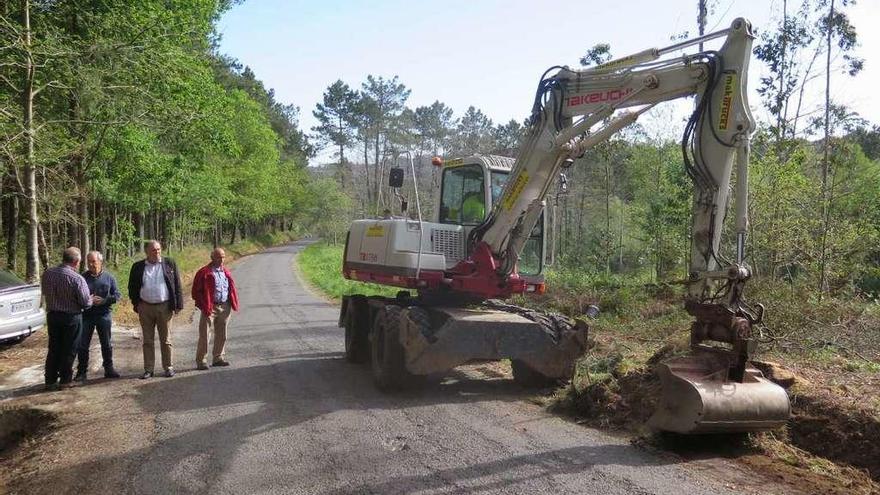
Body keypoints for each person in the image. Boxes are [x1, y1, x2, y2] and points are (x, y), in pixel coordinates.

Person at [128, 240, 183, 379]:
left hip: (164, 307)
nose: (157, 252)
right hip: (145, 307)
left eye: (158, 249)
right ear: (147, 252)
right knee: (147, 340)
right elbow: (132, 287)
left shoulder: (169, 263)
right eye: (153, 250)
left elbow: (177, 284)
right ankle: (148, 369)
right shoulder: (138, 267)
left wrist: (178, 305)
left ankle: (168, 367)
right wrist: (137, 304)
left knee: (166, 340)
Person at [41, 247, 93, 391]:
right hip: (71, 317)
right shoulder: (77, 278)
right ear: (76, 262)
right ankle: (65, 380)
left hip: (52, 316)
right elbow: (85, 302)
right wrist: (91, 300)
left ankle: (50, 380)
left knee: (54, 348)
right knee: (69, 349)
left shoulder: (47, 274)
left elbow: (45, 292)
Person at [74, 251, 122, 382]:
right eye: (89, 261)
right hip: (86, 316)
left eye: (93, 261)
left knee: (106, 343)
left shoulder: (109, 277)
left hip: (104, 315)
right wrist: (86, 300)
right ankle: (81, 372)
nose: (91, 264)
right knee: (83, 345)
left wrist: (104, 300)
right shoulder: (82, 278)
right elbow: (76, 296)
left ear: (100, 262)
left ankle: (109, 369)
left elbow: (117, 295)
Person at [191, 247, 239, 370]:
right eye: (219, 257)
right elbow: (195, 292)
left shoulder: (225, 271)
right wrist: (203, 304)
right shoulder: (204, 272)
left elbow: (231, 288)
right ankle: (201, 361)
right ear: (212, 258)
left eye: (223, 257)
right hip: (209, 307)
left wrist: (230, 302)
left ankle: (218, 358)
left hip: (225, 305)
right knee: (205, 335)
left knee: (222, 334)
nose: (222, 259)